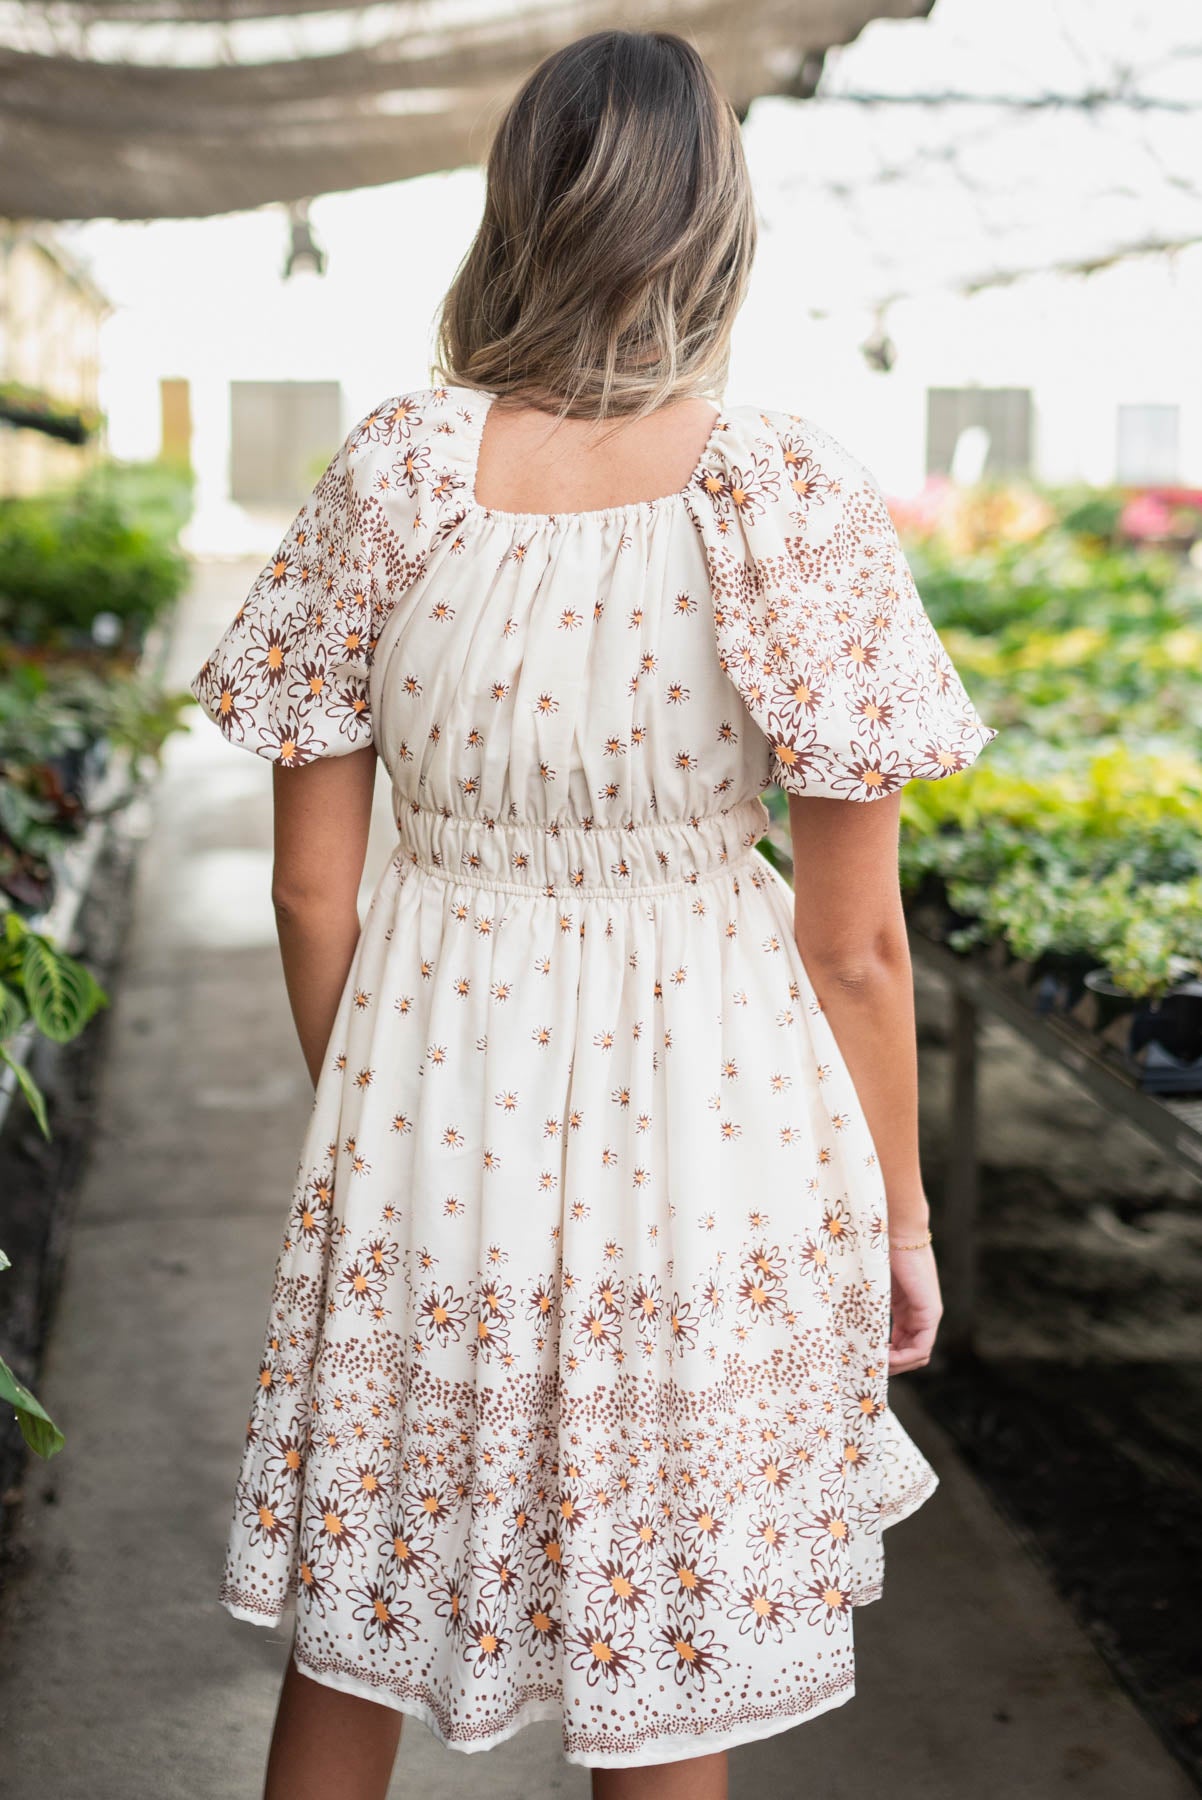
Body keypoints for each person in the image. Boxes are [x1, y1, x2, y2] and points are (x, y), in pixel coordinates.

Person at [189, 27, 997, 1800]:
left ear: (512, 212)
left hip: (424, 1111)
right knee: (665, 1656)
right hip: (712, 1136)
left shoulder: (393, 472)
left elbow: (312, 886)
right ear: (717, 228)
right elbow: (852, 946)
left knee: (359, 1619)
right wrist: (903, 1228)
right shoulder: (780, 495)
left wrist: (377, 1115)